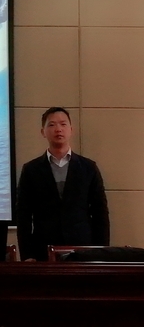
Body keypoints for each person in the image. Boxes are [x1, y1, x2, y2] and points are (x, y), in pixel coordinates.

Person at [16, 107, 110, 261]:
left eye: (63, 124)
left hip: (83, 249)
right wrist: (27, 255)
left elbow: (100, 213)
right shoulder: (31, 169)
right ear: (43, 132)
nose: (58, 129)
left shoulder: (88, 167)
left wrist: (101, 252)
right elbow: (23, 216)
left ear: (71, 130)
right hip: (43, 250)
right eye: (52, 125)